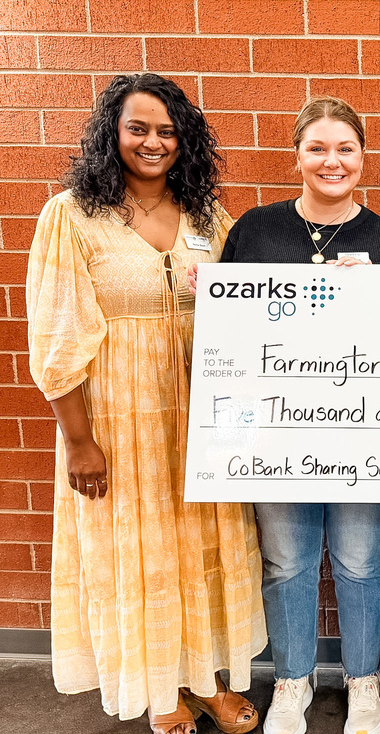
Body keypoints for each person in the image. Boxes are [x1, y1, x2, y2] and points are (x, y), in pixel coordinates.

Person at [26, 73, 266, 734]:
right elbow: (57, 336)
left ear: (184, 140)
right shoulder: (71, 216)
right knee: (140, 552)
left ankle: (206, 680)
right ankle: (162, 690)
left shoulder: (207, 216)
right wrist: (79, 441)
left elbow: (253, 306)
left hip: (199, 417)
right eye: (138, 128)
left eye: (167, 130)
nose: (153, 142)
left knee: (199, 545)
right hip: (116, 417)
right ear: (113, 133)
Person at [204, 96, 380, 734]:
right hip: (274, 431)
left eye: (345, 148)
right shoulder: (255, 230)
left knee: (360, 559)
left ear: (363, 157)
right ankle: (292, 680)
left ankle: (363, 682)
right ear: (296, 155)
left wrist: (377, 296)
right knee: (287, 561)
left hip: (362, 429)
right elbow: (227, 337)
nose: (332, 160)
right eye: (318, 148)